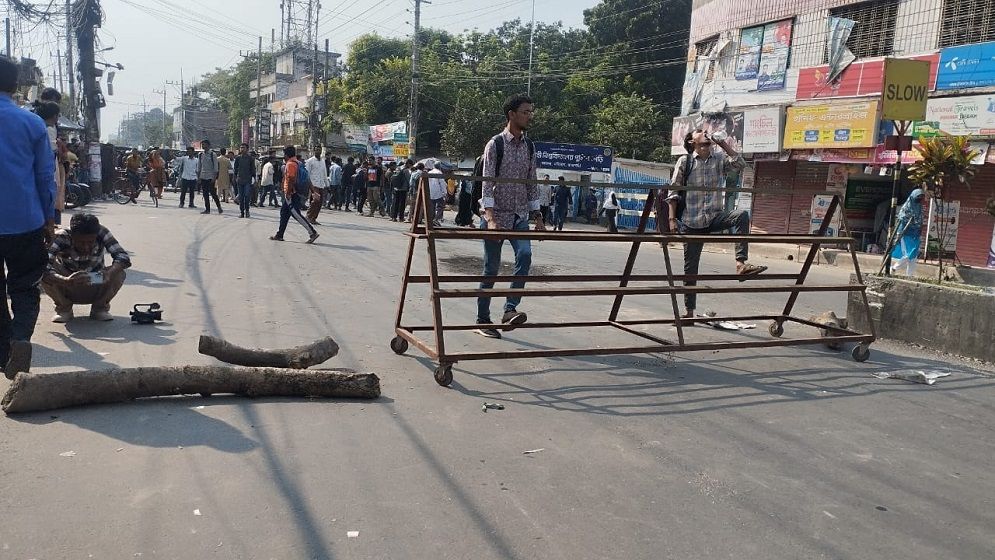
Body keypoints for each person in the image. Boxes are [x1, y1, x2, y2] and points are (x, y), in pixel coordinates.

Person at [667, 129, 767, 319]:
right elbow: (673, 192)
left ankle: (740, 264)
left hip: (714, 218)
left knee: (741, 216)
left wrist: (723, 144)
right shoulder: (685, 161)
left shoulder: (719, 159)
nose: (706, 133)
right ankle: (689, 311)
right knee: (690, 269)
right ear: (692, 142)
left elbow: (740, 163)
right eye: (700, 132)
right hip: (691, 222)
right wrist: (672, 219)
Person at [0, 55, 56, 378]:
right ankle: (19, 339)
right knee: (24, 288)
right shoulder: (33, 124)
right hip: (25, 220)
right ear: (16, 85)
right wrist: (49, 219)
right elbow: (45, 177)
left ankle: (4, 353)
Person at [475, 93, 544, 339]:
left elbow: (531, 183)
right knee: (491, 269)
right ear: (511, 115)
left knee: (525, 255)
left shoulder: (530, 147)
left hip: (518, 216)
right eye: (525, 112)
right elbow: (487, 184)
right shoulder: (495, 144)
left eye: (530, 112)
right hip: (495, 216)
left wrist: (538, 216)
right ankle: (482, 319)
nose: (529, 116)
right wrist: (491, 218)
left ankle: (510, 309)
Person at [41, 213, 130, 323]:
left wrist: (109, 273)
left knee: (119, 272)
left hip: (95, 278)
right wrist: (66, 281)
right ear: (72, 236)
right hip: (67, 280)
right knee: (41, 271)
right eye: (81, 243)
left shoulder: (102, 232)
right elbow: (43, 266)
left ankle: (99, 308)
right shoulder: (62, 237)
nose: (86, 247)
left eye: (90, 242)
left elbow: (122, 256)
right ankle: (64, 309)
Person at [270, 146, 319, 244]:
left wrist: (288, 193)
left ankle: (312, 232)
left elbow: (291, 179)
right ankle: (280, 234)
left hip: (292, 194)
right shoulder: (299, 163)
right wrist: (313, 191)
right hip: (297, 192)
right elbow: (307, 178)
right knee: (284, 213)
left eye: (284, 154)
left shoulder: (290, 164)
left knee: (296, 214)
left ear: (286, 155)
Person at [890, 188, 925, 277]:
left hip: (915, 234)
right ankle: (894, 268)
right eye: (918, 197)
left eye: (921, 197)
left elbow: (921, 220)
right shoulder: (906, 207)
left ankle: (909, 275)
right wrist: (899, 233)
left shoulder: (920, 207)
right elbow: (902, 220)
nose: (919, 199)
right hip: (906, 233)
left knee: (914, 255)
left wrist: (920, 229)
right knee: (908, 254)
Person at [305, 146, 328, 225]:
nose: (318, 151)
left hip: (321, 184)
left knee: (320, 202)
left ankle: (313, 218)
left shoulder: (323, 161)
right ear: (314, 151)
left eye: (319, 150)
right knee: (315, 200)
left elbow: (325, 173)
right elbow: (307, 174)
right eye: (317, 150)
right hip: (313, 184)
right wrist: (308, 185)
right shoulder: (310, 161)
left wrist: (327, 184)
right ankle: (308, 216)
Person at [233, 143, 257, 219]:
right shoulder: (238, 158)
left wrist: (255, 180)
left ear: (247, 149)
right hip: (239, 180)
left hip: (248, 180)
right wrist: (234, 178)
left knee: (247, 196)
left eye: (243, 147)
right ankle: (242, 212)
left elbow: (253, 169)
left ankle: (247, 211)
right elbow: (235, 169)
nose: (242, 149)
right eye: (241, 147)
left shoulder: (250, 159)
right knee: (241, 197)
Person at [198, 140, 222, 214]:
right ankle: (207, 209)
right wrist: (199, 177)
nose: (203, 146)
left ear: (208, 145)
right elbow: (199, 166)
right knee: (205, 194)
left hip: (210, 177)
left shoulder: (212, 154)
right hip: (203, 176)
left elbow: (215, 167)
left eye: (204, 144)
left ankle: (219, 207)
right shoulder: (200, 154)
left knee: (213, 193)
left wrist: (214, 177)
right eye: (202, 145)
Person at [429, 162, 447, 226]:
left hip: (430, 192)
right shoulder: (439, 172)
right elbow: (442, 183)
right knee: (441, 207)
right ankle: (436, 219)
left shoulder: (429, 172)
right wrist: (445, 193)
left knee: (432, 207)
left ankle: (431, 220)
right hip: (438, 192)